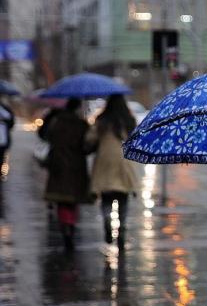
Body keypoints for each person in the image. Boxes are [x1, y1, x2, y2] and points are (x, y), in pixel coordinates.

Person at [85, 94, 138, 249]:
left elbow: (90, 140)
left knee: (107, 197)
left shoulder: (102, 120)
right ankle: (121, 228)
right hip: (123, 162)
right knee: (123, 198)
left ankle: (108, 219)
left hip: (105, 161)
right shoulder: (128, 121)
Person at [45, 98, 90, 249]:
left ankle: (65, 227)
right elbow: (87, 145)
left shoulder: (56, 122)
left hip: (58, 164)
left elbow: (45, 136)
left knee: (61, 199)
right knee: (73, 198)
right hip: (76, 166)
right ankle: (70, 225)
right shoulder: (81, 125)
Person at [0, 100, 14, 174]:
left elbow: (11, 123)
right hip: (3, 140)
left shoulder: (5, 109)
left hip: (3, 140)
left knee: (1, 158)